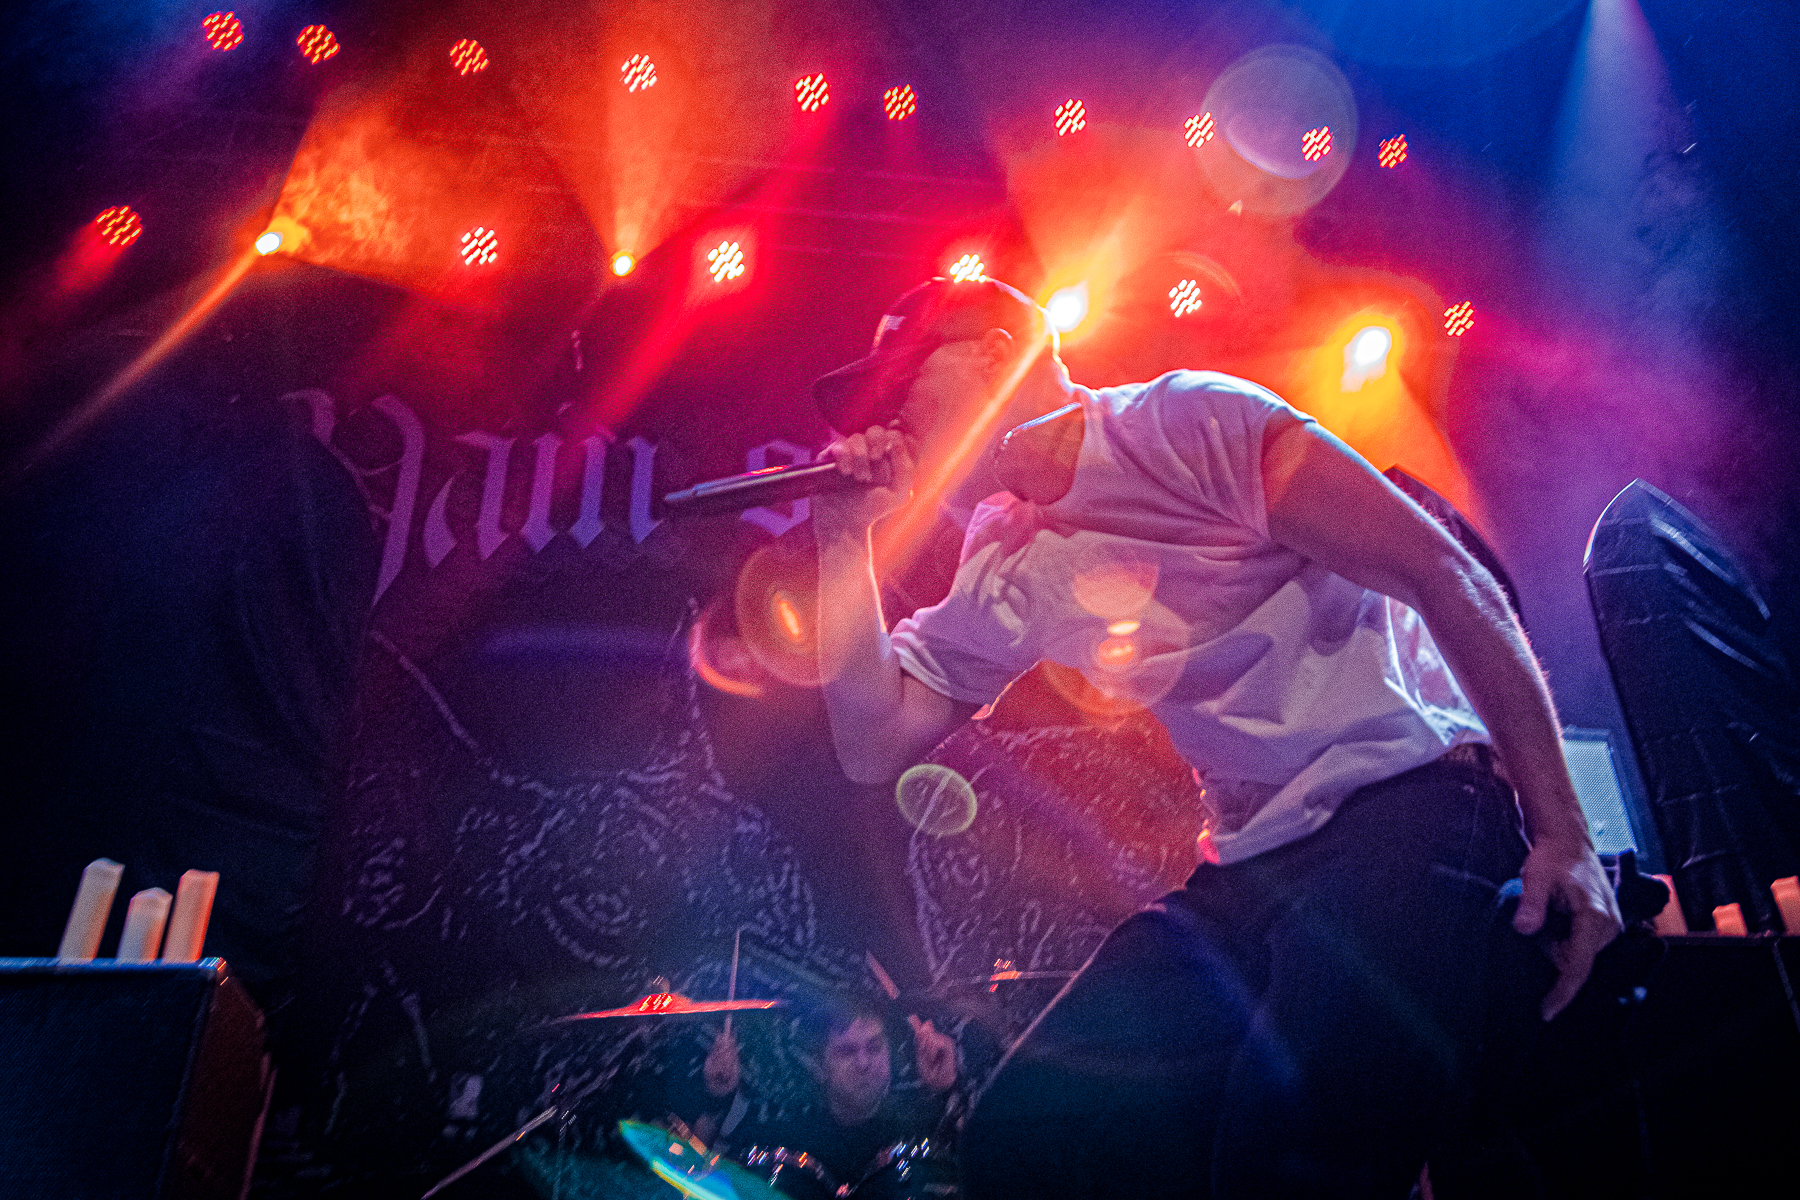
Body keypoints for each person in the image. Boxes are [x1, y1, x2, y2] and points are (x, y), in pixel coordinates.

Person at [805, 276, 1622, 1198]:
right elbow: (872, 742)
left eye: (903, 381)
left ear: (997, 355)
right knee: (1030, 1136)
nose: (887, 418)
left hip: (1411, 799)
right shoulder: (1005, 549)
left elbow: (1442, 570)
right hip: (1254, 860)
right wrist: (843, 541)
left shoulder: (1186, 422)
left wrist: (1564, 828)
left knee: (1291, 1153)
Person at [696, 998, 959, 1190]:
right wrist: (715, 1101)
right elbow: (698, 1176)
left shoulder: (921, 1122)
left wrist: (947, 1088)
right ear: (820, 1067)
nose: (863, 1062)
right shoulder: (781, 1130)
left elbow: (968, 1173)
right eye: (846, 1051)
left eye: (874, 1047)